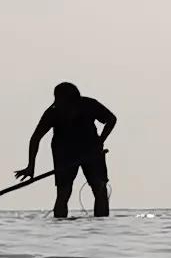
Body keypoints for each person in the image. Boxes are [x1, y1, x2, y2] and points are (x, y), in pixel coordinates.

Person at [20, 81, 119, 219]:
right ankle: (60, 225)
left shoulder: (89, 105)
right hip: (64, 153)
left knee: (100, 188)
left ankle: (100, 226)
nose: (60, 104)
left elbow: (111, 119)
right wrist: (31, 166)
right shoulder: (53, 112)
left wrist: (100, 141)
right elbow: (36, 138)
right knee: (63, 192)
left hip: (91, 150)